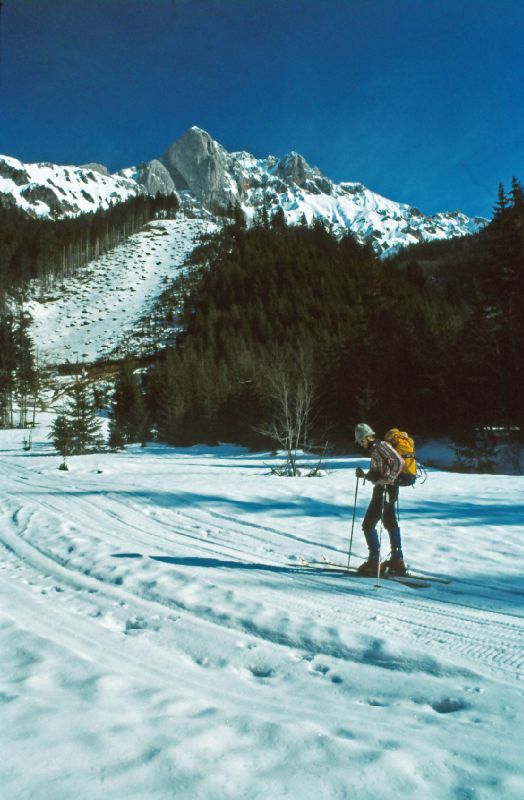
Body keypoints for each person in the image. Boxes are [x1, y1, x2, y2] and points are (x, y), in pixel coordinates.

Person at [354, 422, 406, 576]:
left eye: (362, 441)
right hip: (386, 490)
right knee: (390, 522)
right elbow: (377, 473)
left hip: (386, 491)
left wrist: (388, 479)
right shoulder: (376, 449)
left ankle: (374, 561)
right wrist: (364, 475)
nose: (361, 444)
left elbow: (399, 462)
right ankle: (397, 560)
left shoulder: (381, 445)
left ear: (369, 437)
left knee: (368, 524)